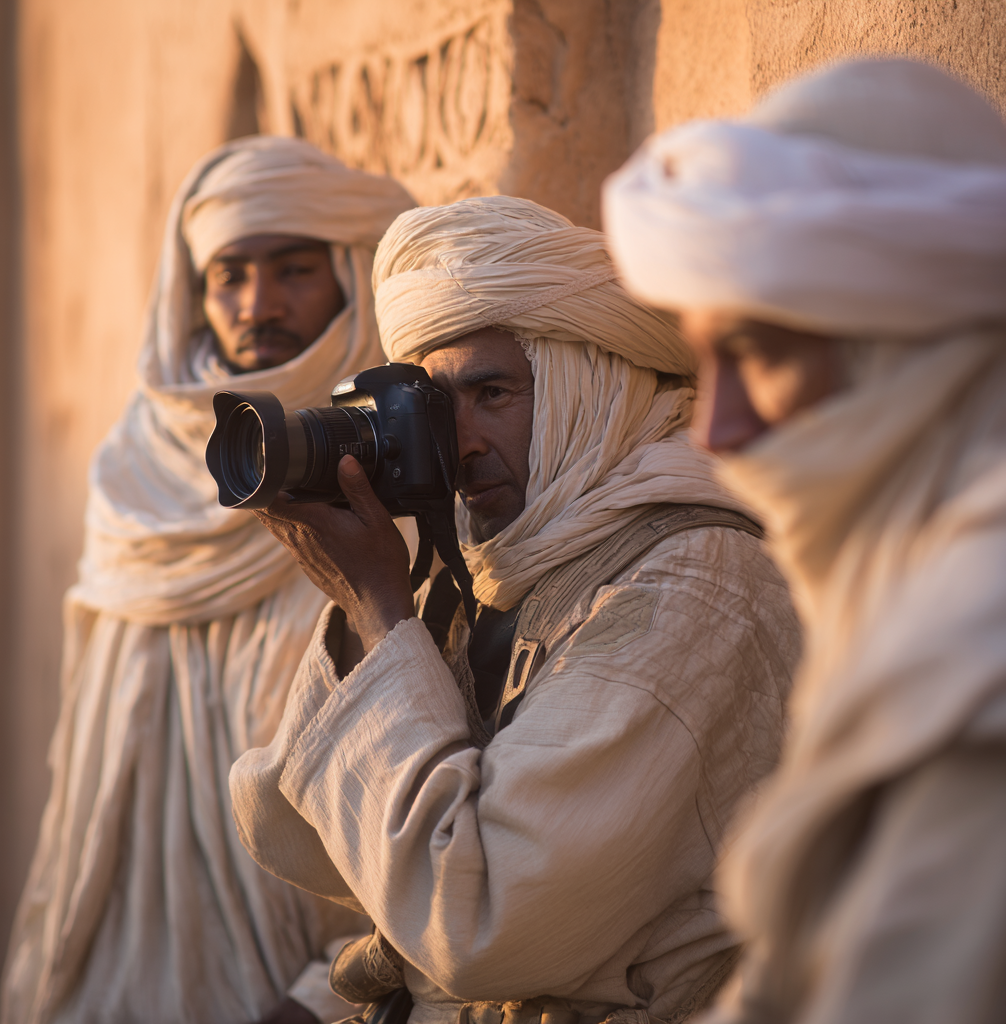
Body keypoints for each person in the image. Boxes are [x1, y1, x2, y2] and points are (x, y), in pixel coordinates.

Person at [228, 195, 801, 1024]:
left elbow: (480, 919)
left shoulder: (695, 584)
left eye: (491, 393)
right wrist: (372, 608)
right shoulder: (499, 570)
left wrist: (380, 607)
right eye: (434, 407)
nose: (457, 444)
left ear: (588, 385)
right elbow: (302, 833)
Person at [603, 57, 1006, 1024]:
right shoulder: (911, 600)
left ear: (910, 339)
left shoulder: (974, 661)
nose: (717, 430)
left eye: (759, 352)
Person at [1, 136, 415, 1024]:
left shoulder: (390, 475)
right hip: (124, 971)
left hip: (315, 984)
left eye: (294, 269)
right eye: (228, 276)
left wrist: (322, 999)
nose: (258, 304)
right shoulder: (135, 475)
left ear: (348, 273)